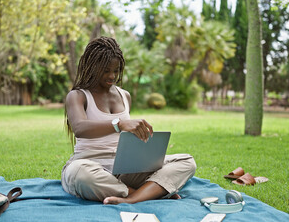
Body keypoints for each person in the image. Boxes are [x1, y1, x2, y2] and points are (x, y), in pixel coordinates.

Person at [61, 36, 196, 205]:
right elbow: (80, 127)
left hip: (124, 167)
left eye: (116, 70)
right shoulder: (78, 96)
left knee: (186, 162)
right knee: (81, 176)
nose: (112, 76)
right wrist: (119, 124)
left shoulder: (125, 96)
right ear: (93, 66)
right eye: (106, 70)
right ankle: (150, 193)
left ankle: (132, 198)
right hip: (90, 165)